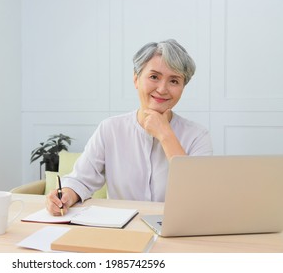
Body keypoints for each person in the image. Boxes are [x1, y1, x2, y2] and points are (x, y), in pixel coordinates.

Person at [46, 39, 213, 215]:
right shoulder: (110, 129)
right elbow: (80, 180)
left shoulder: (198, 135)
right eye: (154, 77)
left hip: (176, 231)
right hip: (122, 232)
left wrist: (165, 135)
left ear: (182, 87)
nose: (163, 89)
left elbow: (199, 194)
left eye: (174, 81)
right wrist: (65, 196)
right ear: (136, 79)